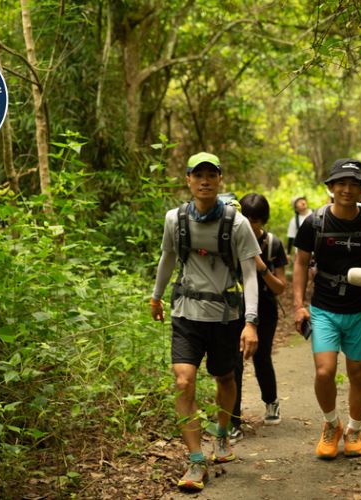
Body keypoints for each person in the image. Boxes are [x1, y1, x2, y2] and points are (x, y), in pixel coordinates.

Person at [150, 152, 260, 492]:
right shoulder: (175, 220)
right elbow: (168, 257)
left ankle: (223, 432)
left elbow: (250, 273)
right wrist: (156, 296)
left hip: (225, 317)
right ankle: (196, 460)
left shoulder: (236, 224)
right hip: (185, 313)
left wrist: (251, 321)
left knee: (225, 377)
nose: (205, 180)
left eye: (211, 174)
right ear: (188, 180)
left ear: (219, 180)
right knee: (183, 382)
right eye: (198, 175)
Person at [292, 158, 361, 460]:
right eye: (341, 183)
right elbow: (300, 262)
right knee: (324, 372)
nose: (347, 189)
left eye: (354, 184)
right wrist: (299, 306)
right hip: (324, 306)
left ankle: (354, 430)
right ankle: (330, 424)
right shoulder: (315, 222)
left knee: (358, 372)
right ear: (331, 188)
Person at [231, 193, 288, 441]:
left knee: (261, 356)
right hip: (232, 307)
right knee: (233, 362)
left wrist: (260, 266)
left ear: (263, 220)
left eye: (255, 219)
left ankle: (271, 401)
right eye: (246, 218)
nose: (251, 224)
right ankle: (233, 419)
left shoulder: (273, 244)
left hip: (264, 307)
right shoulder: (229, 241)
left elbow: (280, 287)